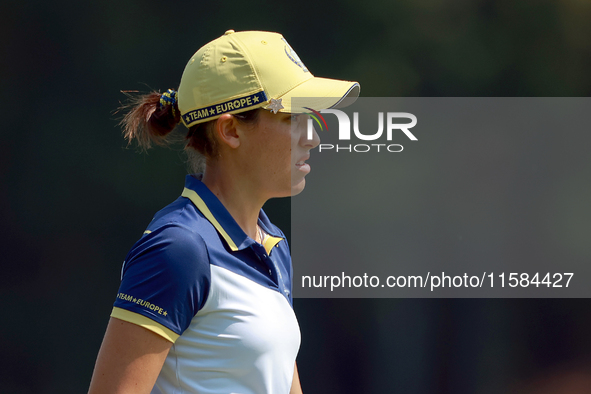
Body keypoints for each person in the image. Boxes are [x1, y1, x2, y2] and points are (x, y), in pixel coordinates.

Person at [88, 30, 360, 394]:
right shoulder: (179, 249)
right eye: (292, 117)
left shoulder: (272, 245)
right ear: (230, 130)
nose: (312, 137)